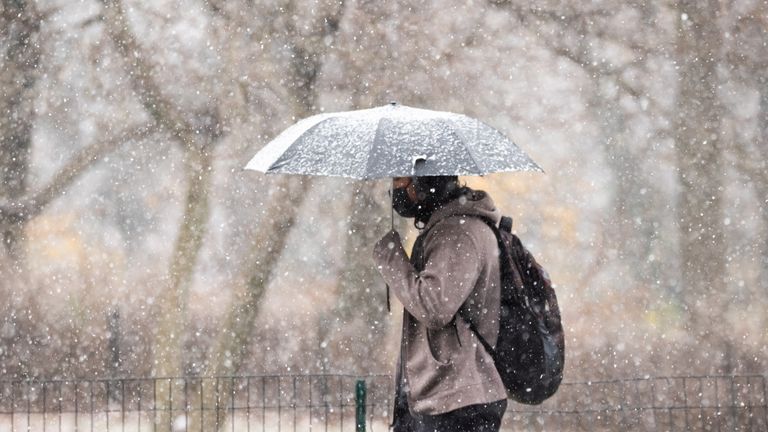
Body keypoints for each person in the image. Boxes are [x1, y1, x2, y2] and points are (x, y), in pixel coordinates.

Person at [373, 175, 508, 432]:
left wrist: (391, 259)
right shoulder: (452, 228)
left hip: (455, 399)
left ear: (424, 183)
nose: (394, 187)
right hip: (449, 396)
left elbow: (434, 308)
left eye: (401, 179)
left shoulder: (457, 233)